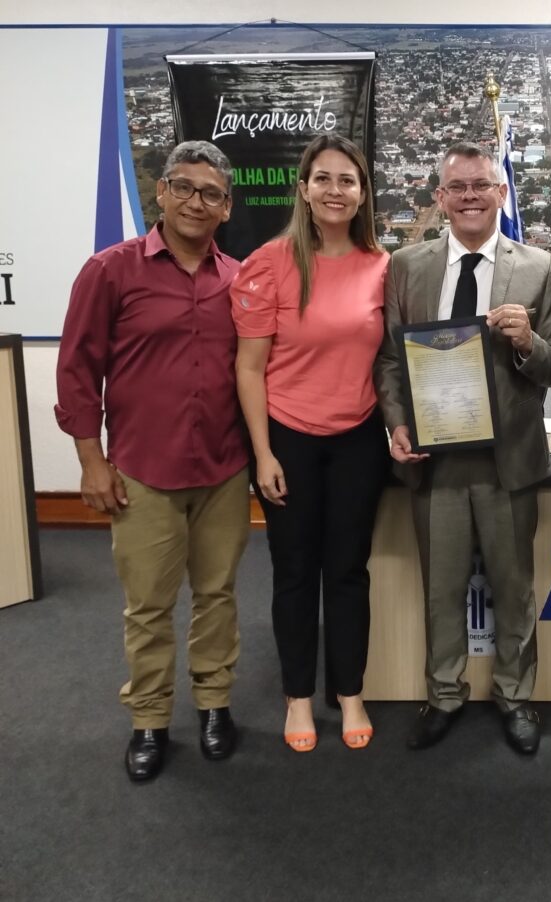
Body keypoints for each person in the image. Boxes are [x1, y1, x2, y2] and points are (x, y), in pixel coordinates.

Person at [55, 141, 249, 782]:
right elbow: (78, 370)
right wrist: (91, 461)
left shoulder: (239, 278)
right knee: (148, 605)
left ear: (226, 208)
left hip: (224, 467)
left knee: (218, 595)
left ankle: (215, 705)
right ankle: (149, 718)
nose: (197, 202)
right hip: (142, 470)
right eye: (185, 187)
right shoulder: (111, 271)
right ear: (160, 193)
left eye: (212, 193)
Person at [374, 141, 551, 755]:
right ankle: (444, 693)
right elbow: (390, 361)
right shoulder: (406, 265)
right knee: (442, 586)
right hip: (436, 459)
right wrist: (397, 424)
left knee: (514, 588)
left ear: (501, 192)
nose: (469, 197)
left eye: (481, 185)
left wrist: (527, 341)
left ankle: (515, 695)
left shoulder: (538, 267)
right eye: (456, 187)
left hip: (509, 459)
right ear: (440, 197)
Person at [233, 135, 390, 753]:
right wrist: (263, 453)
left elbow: (393, 361)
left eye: (347, 181)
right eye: (322, 178)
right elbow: (248, 368)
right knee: (295, 573)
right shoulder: (267, 263)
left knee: (349, 572)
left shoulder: (382, 264)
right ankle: (298, 694)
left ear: (361, 194)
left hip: (359, 439)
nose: (334, 190)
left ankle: (348, 689)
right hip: (287, 440)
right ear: (303, 189)